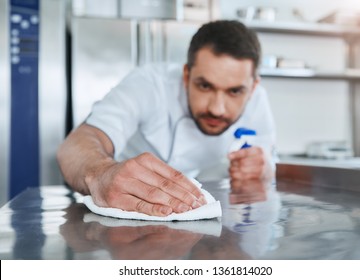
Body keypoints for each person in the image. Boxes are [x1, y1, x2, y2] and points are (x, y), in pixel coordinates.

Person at [57, 20, 277, 218]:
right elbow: (75, 146)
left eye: (235, 92)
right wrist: (102, 173)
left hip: (202, 212)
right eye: (205, 86)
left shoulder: (258, 100)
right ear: (186, 75)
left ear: (253, 88)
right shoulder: (149, 84)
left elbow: (267, 161)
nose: (217, 109)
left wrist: (264, 168)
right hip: (128, 210)